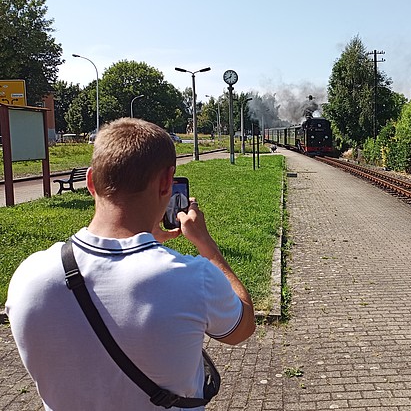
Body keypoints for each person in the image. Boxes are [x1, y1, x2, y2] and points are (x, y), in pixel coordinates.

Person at [6, 118, 256, 410]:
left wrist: (145, 240)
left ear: (90, 182)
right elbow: (243, 327)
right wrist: (208, 247)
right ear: (167, 182)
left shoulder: (28, 276)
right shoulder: (194, 279)